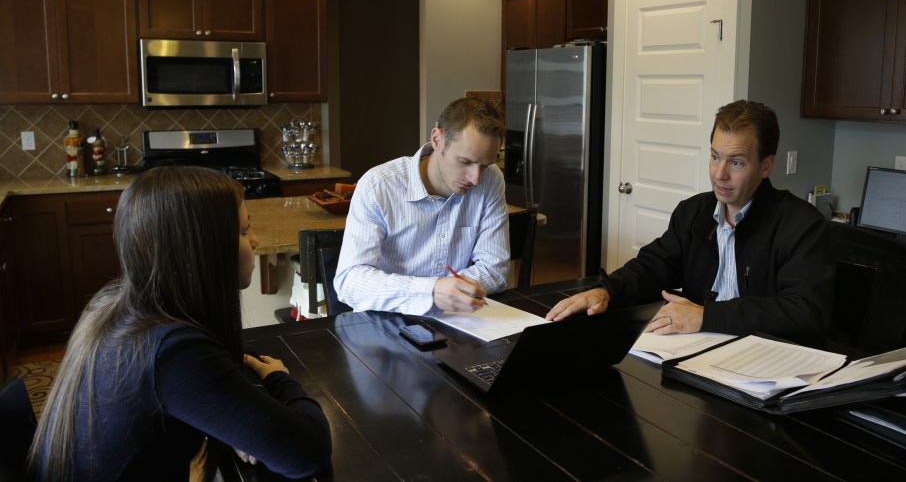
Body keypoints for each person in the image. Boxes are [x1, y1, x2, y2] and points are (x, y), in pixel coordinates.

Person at [27, 166, 331, 482]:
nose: (254, 241)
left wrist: (242, 426)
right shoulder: (172, 352)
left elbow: (220, 366)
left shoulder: (116, 307)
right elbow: (308, 453)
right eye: (243, 231)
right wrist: (281, 379)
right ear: (201, 247)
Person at [546, 100, 834, 342]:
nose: (719, 174)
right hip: (697, 354)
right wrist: (607, 291)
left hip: (765, 363)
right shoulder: (693, 212)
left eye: (736, 162)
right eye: (714, 157)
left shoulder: (801, 225)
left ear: (766, 166)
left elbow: (804, 311)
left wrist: (706, 316)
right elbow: (652, 267)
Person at [334, 97, 509, 315]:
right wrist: (432, 291)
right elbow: (350, 282)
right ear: (437, 139)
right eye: (465, 162)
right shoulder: (378, 186)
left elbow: (495, 269)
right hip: (385, 321)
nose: (475, 179)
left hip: (457, 321)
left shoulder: (491, 180)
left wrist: (450, 293)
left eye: (484, 165)